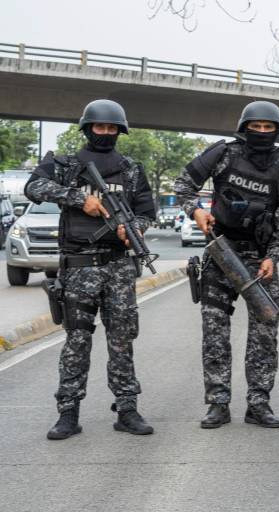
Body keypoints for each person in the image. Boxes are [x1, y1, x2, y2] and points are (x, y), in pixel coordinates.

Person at [25, 99, 156, 440]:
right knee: (77, 341)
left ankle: (127, 409)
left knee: (122, 341)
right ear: (87, 128)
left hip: (118, 267)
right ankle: (68, 413)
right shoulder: (65, 164)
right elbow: (34, 187)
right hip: (79, 267)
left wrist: (135, 229)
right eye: (100, 127)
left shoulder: (131, 169)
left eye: (112, 128)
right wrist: (77, 198)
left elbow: (145, 210)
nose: (106, 133)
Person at [173, 101, 279, 429]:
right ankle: (218, 403)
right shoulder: (223, 154)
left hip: (259, 260)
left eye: (267, 127)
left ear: (276, 131)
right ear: (245, 127)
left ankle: (258, 403)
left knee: (264, 333)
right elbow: (183, 183)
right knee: (215, 332)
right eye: (255, 127)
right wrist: (196, 210)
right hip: (220, 254)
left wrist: (273, 257)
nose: (261, 132)